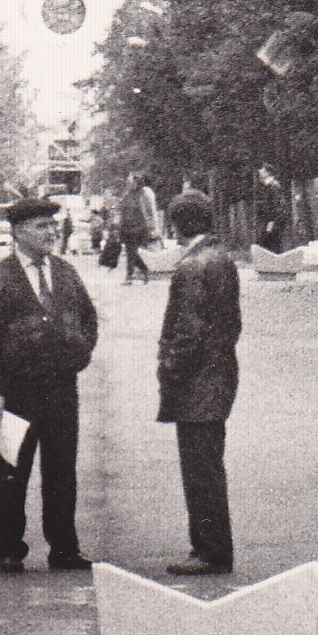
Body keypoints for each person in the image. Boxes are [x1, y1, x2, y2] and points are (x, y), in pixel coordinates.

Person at [0, 197, 99, 574]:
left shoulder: (65, 273)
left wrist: (79, 354)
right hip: (15, 393)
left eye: (53, 226)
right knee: (11, 472)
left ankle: (64, 549)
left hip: (61, 390)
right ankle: (10, 549)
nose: (52, 233)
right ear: (20, 233)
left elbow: (88, 319)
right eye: (42, 227)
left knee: (62, 472)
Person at [156, 191, 240, 575]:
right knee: (209, 467)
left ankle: (208, 550)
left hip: (196, 382)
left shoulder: (191, 266)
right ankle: (213, 547)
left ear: (179, 224)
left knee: (199, 471)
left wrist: (169, 369)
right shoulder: (222, 259)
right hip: (219, 374)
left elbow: (187, 331)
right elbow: (231, 325)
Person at [119, 175, 160, 284]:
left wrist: (153, 228)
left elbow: (150, 212)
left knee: (131, 251)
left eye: (131, 181)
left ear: (137, 182)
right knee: (131, 252)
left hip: (139, 228)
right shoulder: (126, 195)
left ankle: (129, 277)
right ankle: (144, 270)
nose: (129, 182)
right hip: (126, 228)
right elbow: (122, 211)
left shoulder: (144, 195)